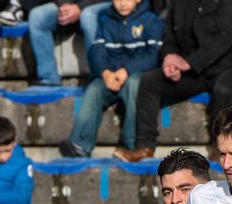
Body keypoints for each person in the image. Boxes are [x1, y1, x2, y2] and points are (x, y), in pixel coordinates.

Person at [113, 0, 232, 162]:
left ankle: (221, 147)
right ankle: (145, 146)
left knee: (222, 90)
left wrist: (188, 63)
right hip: (195, 69)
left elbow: (225, 38)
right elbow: (169, 37)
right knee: (150, 81)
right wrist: (170, 59)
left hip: (231, 65)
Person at [58, 0, 164, 158]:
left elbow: (154, 54)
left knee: (135, 85)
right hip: (111, 75)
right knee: (94, 88)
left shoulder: (151, 20)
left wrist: (127, 70)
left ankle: (131, 143)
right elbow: (97, 51)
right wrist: (105, 73)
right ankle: (79, 144)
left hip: (136, 74)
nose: (122, 3)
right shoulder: (105, 19)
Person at [28, 1, 103, 86]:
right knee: (37, 15)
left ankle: (99, 79)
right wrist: (64, 4)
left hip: (105, 4)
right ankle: (49, 79)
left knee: (88, 15)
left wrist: (80, 8)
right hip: (73, 3)